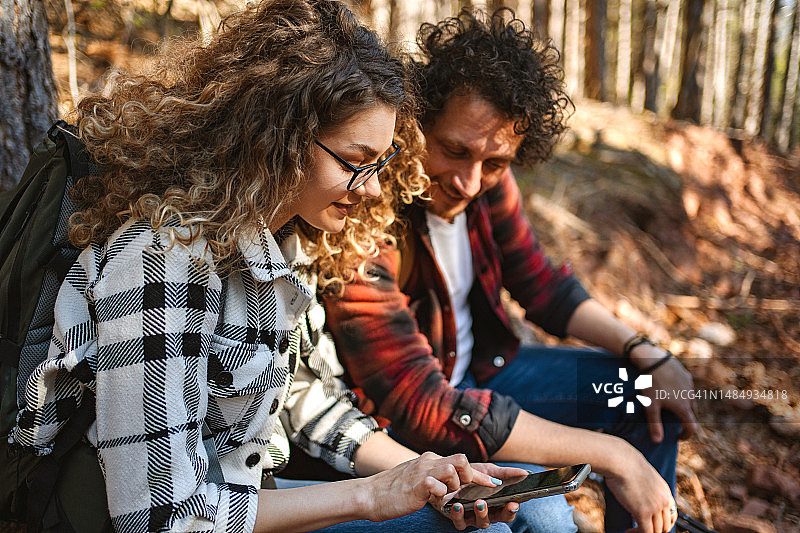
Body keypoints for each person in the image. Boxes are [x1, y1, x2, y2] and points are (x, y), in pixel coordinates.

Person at [8, 1, 528, 531]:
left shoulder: (280, 242)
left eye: (382, 161)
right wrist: (370, 497)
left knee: (520, 514)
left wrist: (428, 476)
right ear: (277, 138)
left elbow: (305, 400)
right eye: (356, 161)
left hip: (248, 499)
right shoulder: (158, 262)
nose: (373, 188)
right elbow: (160, 517)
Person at [321, 8, 699, 533]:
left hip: (488, 372)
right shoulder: (367, 217)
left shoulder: (487, 182)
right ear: (417, 122)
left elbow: (541, 284)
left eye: (495, 162)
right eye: (455, 151)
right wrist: (613, 454)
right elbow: (420, 402)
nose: (471, 182)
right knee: (547, 520)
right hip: (420, 420)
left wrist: (644, 351)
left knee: (640, 391)